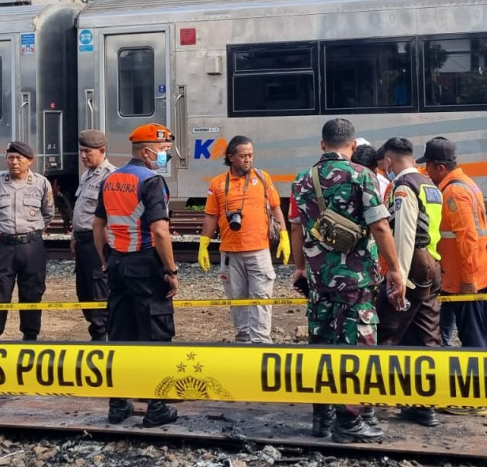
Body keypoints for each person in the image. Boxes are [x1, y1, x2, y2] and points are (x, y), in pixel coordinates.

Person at [290, 118, 407, 444]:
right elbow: (381, 227)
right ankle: (350, 422)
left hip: (318, 281)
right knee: (356, 347)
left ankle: (322, 418)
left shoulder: (301, 181)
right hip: (354, 281)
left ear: (322, 144)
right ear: (353, 146)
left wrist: (300, 268)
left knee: (323, 344)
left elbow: (296, 228)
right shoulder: (362, 175)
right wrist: (394, 269)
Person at [93, 123, 181, 427]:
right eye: (164, 151)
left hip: (117, 265)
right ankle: (156, 407)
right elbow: (160, 231)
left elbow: (97, 226)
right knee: (155, 334)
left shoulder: (111, 179)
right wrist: (170, 269)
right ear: (147, 152)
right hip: (145, 265)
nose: (167, 156)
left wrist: (107, 258)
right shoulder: (152, 181)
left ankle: (118, 405)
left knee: (119, 334)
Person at [377, 137, 444, 427]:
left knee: (385, 330)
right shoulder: (429, 184)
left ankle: (362, 404)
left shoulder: (404, 188)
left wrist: (397, 277)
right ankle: (424, 405)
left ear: (389, 161)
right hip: (432, 265)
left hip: (413, 266)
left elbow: (403, 234)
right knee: (425, 335)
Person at [198, 136, 290, 343]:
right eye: (243, 156)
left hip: (259, 251)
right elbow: (211, 215)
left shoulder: (263, 178)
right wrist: (204, 243)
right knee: (237, 301)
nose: (248, 159)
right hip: (230, 253)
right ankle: (243, 341)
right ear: (231, 157)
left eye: (250, 155)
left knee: (261, 300)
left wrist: (284, 236)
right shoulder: (218, 183)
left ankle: (261, 342)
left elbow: (276, 207)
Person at [0, 141, 55, 342]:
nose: (14, 162)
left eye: (19, 158)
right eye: (10, 158)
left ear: (29, 161)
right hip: (4, 247)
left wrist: (33, 232)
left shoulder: (41, 183)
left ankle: (30, 336)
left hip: (32, 248)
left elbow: (48, 212)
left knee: (32, 292)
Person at [422, 136, 487, 349]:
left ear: (440, 167)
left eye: (427, 166)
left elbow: (467, 237)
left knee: (473, 338)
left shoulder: (454, 192)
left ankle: (478, 377)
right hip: (482, 271)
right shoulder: (466, 182)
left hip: (466, 279)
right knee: (485, 334)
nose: (426, 171)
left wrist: (468, 279)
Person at [71, 129, 115, 341]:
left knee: (100, 291)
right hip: (82, 244)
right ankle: (97, 331)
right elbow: (82, 209)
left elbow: (110, 218)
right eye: (81, 151)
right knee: (84, 292)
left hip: (97, 243)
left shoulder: (111, 176)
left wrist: (105, 249)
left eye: (87, 151)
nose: (83, 156)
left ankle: (102, 336)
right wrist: (73, 236)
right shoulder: (86, 175)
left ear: (102, 151)